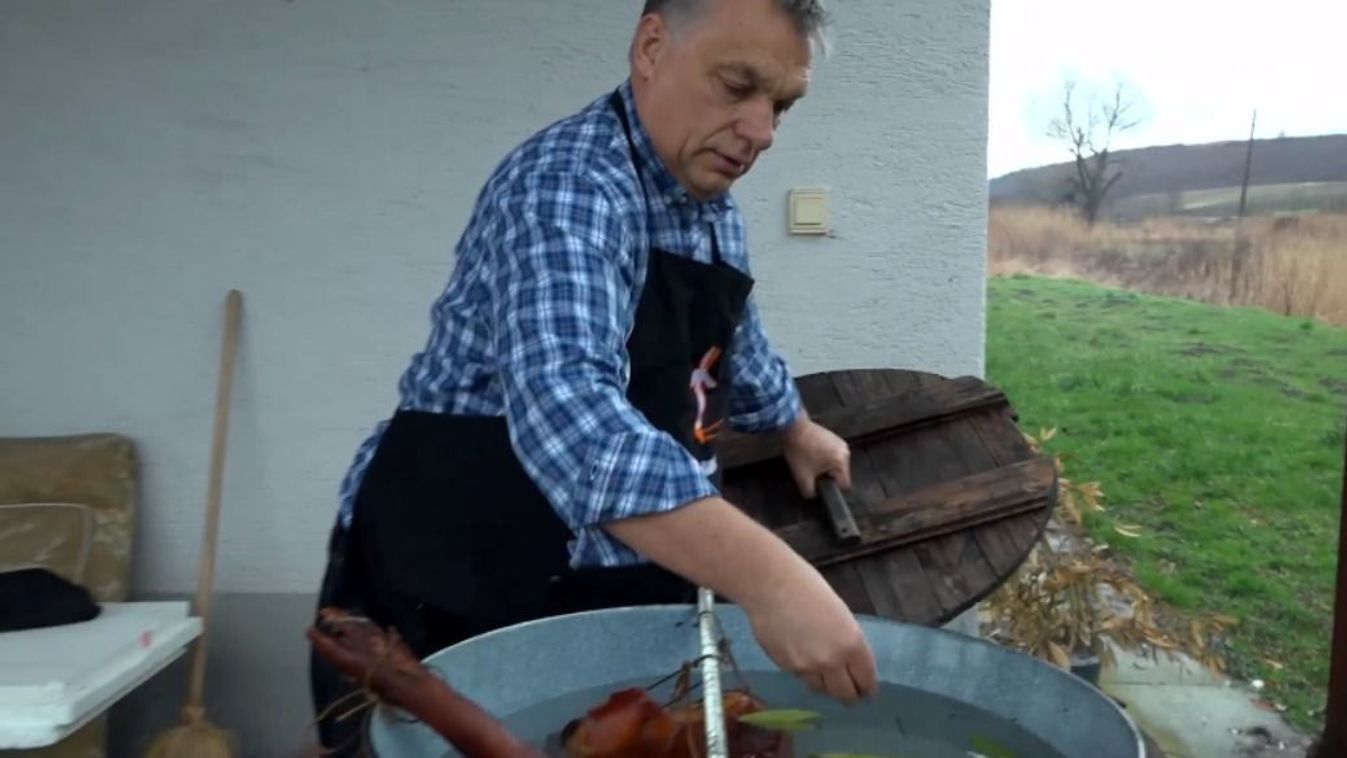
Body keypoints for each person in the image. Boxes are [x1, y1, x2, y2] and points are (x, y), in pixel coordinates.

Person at [309, 0, 878, 752]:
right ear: (651, 47)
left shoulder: (709, 208)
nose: (763, 130)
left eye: (780, 104)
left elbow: (732, 345)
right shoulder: (568, 188)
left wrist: (794, 427)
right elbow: (574, 418)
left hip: (603, 578)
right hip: (459, 574)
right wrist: (772, 580)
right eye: (738, 86)